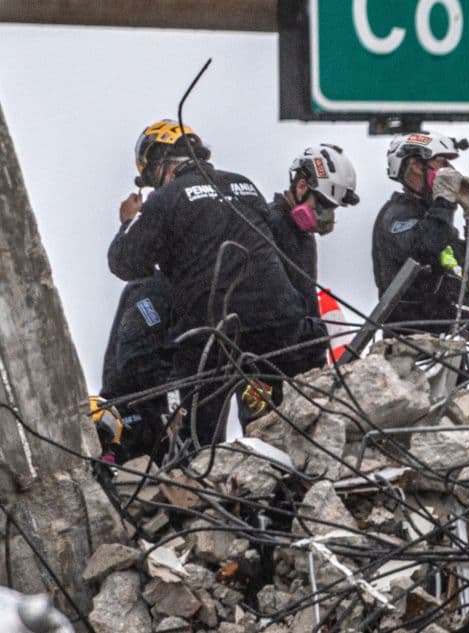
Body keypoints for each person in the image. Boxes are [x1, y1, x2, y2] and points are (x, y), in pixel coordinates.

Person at [108, 119, 310, 447]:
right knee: (284, 431)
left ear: (159, 165)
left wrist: (129, 222)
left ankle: (197, 478)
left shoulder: (167, 197)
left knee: (197, 445)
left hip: (212, 330)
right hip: (281, 325)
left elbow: (124, 262)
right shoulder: (245, 186)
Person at [372, 131, 469, 339]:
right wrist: (444, 203)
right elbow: (425, 249)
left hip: (449, 344)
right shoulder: (396, 215)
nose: (448, 171)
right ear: (415, 166)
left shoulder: (437, 222)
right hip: (411, 347)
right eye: (441, 163)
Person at [266, 143, 359, 371]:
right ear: (301, 185)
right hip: (273, 359)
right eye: (323, 205)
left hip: (304, 354)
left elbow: (306, 295)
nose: (326, 216)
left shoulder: (304, 235)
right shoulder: (269, 224)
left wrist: (317, 347)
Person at [92, 271, 173, 462]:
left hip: (156, 419)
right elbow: (135, 358)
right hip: (136, 420)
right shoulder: (152, 291)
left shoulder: (174, 289)